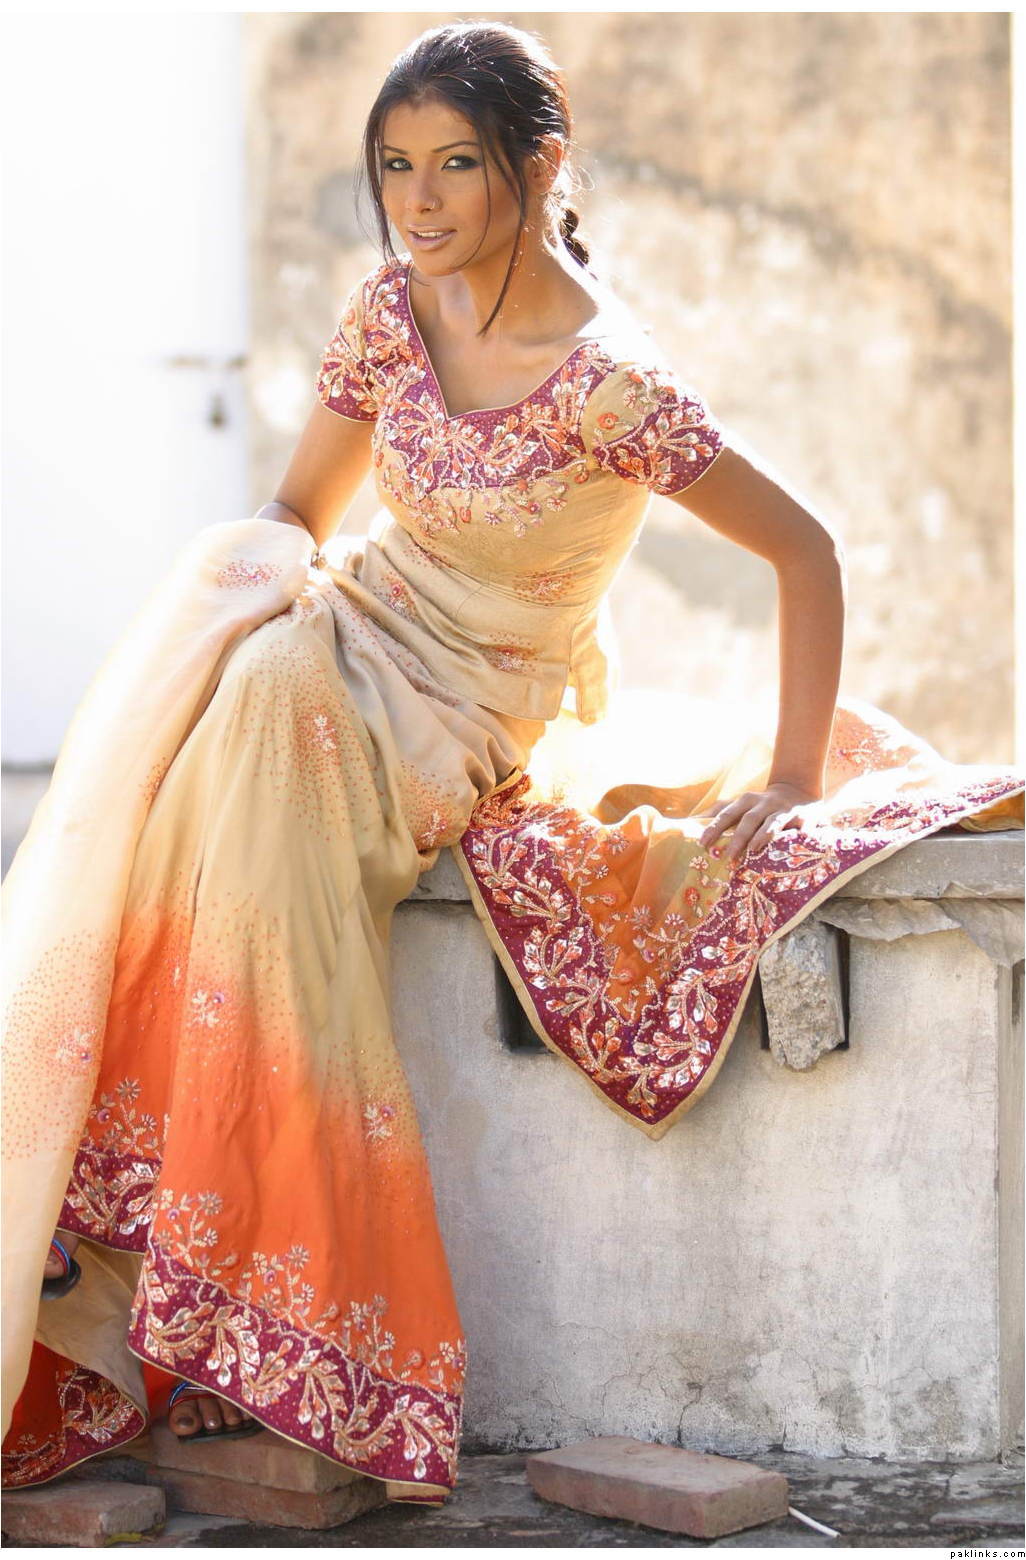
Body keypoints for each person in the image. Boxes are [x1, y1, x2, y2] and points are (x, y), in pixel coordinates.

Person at [3, 19, 1022, 1507]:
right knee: (212, 731)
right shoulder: (389, 314)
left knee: (259, 736)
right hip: (338, 644)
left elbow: (807, 551)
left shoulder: (612, 384)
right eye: (393, 166)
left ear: (537, 169)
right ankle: (181, 1293)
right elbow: (298, 515)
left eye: (454, 167)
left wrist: (797, 776)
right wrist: (219, 615)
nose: (416, 202)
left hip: (465, 707)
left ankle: (246, 1315)